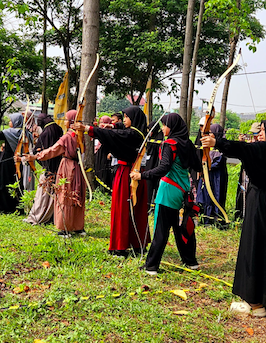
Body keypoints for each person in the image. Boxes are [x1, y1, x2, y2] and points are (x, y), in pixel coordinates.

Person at [202, 117, 266, 317]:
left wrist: (216, 142)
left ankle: (255, 303)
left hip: (261, 204)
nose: (260, 134)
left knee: (255, 247)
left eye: (264, 130)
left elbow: (241, 148)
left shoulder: (263, 149)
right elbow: (246, 148)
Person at [131, 113, 202, 274]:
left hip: (168, 191)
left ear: (172, 127)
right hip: (183, 192)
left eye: (165, 125)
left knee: (161, 229)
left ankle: (151, 266)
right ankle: (191, 262)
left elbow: (164, 167)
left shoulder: (170, 144)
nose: (163, 128)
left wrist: (142, 175)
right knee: (181, 227)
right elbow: (197, 166)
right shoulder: (188, 144)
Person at [76, 106, 150, 256]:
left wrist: (88, 129)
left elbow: (116, 135)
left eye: (127, 117)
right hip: (132, 173)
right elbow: (118, 131)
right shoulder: (137, 132)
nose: (125, 120)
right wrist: (111, 126)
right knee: (130, 210)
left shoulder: (133, 135)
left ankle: (122, 246)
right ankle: (135, 245)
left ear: (134, 119)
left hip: (128, 174)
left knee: (123, 209)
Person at [29, 109, 86, 236]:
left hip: (67, 167)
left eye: (66, 119)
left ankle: (65, 228)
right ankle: (78, 227)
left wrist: (36, 156)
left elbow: (53, 150)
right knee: (77, 194)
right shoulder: (80, 135)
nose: (64, 122)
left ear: (71, 121)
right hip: (77, 168)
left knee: (64, 196)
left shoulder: (68, 137)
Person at [22, 113, 63, 225]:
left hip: (48, 167)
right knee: (53, 193)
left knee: (43, 194)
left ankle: (37, 217)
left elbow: (39, 151)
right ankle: (52, 216)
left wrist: (36, 154)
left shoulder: (45, 133)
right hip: (58, 165)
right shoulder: (58, 129)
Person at [0, 113, 26, 214]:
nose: (9, 122)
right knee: (15, 183)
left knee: (2, 183)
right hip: (17, 162)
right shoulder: (24, 133)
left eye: (11, 121)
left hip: (7, 162)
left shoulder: (11, 133)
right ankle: (16, 207)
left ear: (16, 122)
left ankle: (0, 208)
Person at [196, 123, 229, 226]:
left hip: (218, 176)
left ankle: (217, 220)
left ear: (216, 133)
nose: (209, 135)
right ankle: (207, 219)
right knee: (206, 195)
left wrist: (208, 166)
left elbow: (218, 162)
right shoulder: (209, 146)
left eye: (211, 132)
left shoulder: (222, 146)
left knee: (217, 195)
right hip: (209, 174)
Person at [93, 115, 114, 190]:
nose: (101, 124)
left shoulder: (110, 134)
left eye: (103, 122)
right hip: (98, 157)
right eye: (100, 122)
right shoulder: (99, 133)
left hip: (105, 157)